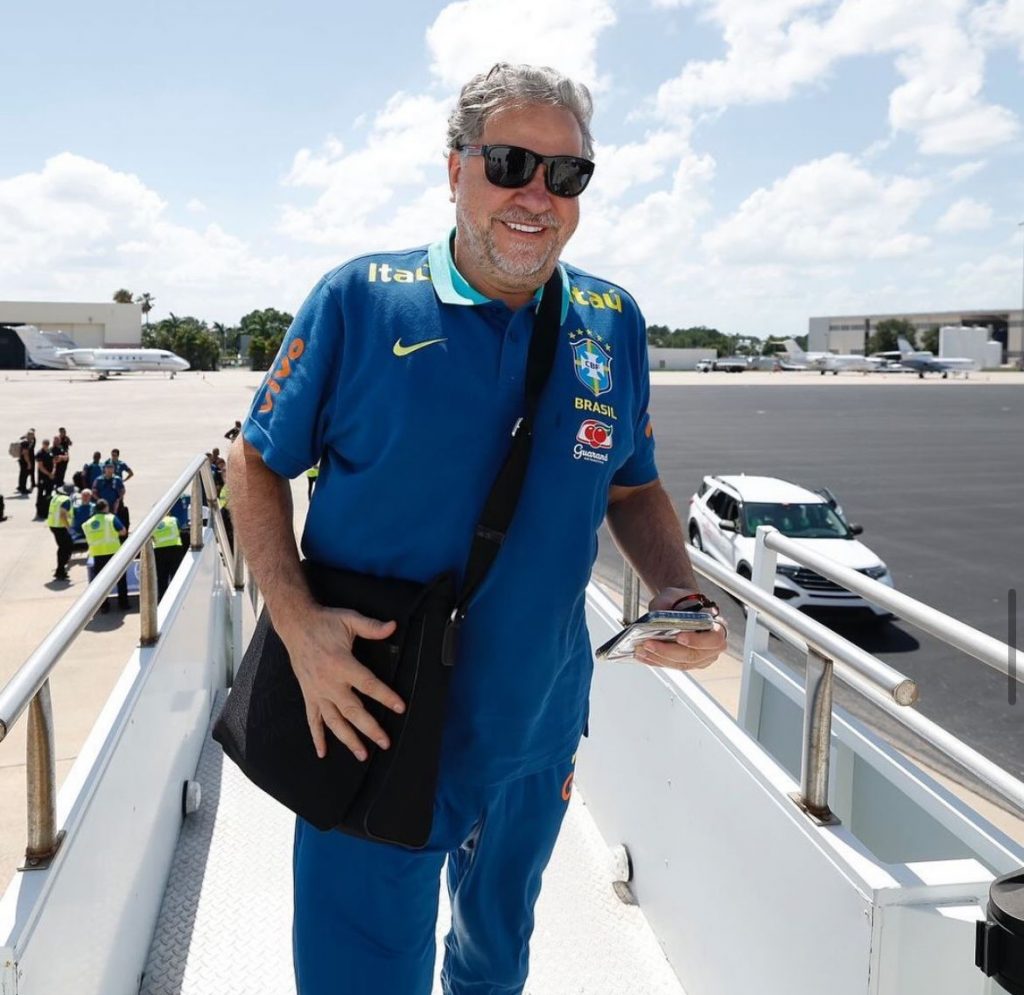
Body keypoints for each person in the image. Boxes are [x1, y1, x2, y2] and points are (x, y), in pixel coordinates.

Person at [226, 63, 726, 995]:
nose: (537, 196)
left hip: (534, 724)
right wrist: (297, 627)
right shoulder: (362, 301)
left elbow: (634, 488)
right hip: (368, 711)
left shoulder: (610, 321)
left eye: (567, 175)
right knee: (362, 978)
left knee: (495, 961)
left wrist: (676, 590)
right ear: (454, 167)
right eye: (509, 163)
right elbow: (253, 463)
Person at [83, 498, 129, 613]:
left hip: (97, 555)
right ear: (106, 507)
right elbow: (123, 531)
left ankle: (103, 605)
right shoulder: (111, 518)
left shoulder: (87, 523)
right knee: (120, 579)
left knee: (101, 582)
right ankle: (123, 603)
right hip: (113, 553)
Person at [151, 514, 183, 598]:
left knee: (162, 578)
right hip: (175, 549)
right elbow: (179, 531)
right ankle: (176, 597)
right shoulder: (173, 520)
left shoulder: (153, 522)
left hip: (159, 551)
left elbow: (151, 537)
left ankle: (162, 599)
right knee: (175, 576)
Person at [47, 487, 74, 581]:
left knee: (64, 547)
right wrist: (69, 527)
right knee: (66, 547)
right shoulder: (66, 500)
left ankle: (60, 569)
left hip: (53, 525)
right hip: (60, 527)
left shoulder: (56, 497)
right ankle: (60, 570)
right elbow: (62, 515)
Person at [34, 438, 55, 519]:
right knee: (40, 494)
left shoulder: (50, 452)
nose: (46, 445)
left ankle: (47, 509)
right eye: (44, 444)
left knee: (49, 494)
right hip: (43, 477)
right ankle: (39, 511)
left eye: (47, 444)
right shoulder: (40, 453)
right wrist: (49, 474)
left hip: (50, 477)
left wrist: (53, 472)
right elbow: (40, 466)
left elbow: (53, 463)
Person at [16, 429, 36, 494]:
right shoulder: (26, 442)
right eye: (32, 435)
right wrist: (28, 463)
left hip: (22, 461)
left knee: (22, 475)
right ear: (30, 436)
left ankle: (20, 487)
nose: (33, 437)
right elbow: (25, 454)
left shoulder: (25, 441)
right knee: (24, 475)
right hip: (24, 462)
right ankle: (23, 489)